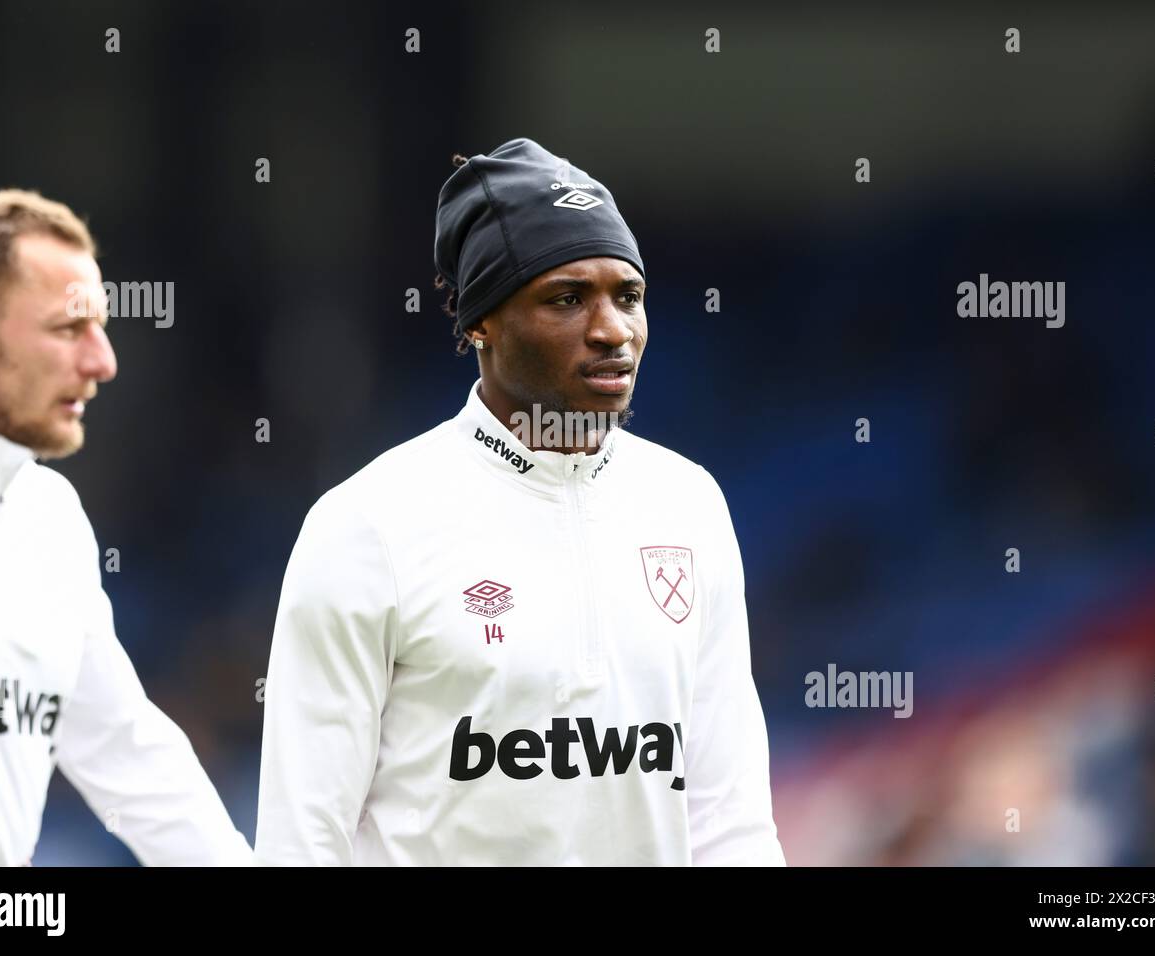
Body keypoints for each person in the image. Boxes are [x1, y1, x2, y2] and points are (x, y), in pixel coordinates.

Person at [256, 139, 784, 865]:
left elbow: (729, 821)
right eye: (567, 298)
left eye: (628, 296)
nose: (613, 330)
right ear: (482, 321)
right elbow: (303, 842)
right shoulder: (368, 525)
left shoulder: (687, 504)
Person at [0, 189, 252, 866]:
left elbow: (126, 757)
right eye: (69, 328)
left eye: (100, 328)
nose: (103, 361)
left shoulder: (49, 514)